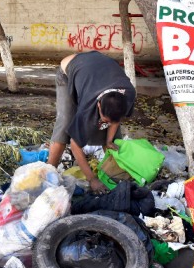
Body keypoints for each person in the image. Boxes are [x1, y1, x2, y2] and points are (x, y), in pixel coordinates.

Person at [47, 51, 136, 194]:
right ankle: (48, 173)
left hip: (95, 71)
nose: (107, 122)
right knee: (65, 125)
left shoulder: (129, 94)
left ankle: (114, 175)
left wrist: (108, 140)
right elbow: (75, 145)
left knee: (113, 138)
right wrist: (92, 179)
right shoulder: (89, 105)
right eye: (105, 119)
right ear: (99, 105)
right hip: (68, 74)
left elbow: (115, 120)